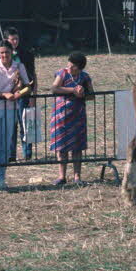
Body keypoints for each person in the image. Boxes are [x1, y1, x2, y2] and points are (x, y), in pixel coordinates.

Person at [0, 40, 29, 189]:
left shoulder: (18, 66)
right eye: (2, 53)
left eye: (7, 52)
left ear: (11, 53)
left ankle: (1, 177)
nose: (4, 55)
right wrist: (4, 95)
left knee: (5, 143)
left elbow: (27, 87)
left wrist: (18, 92)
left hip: (10, 108)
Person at [49, 51, 92, 185]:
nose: (69, 67)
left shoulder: (85, 77)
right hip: (60, 116)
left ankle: (77, 177)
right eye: (69, 63)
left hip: (78, 116)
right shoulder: (62, 73)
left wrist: (83, 93)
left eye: (73, 66)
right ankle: (62, 176)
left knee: (77, 147)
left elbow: (92, 95)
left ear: (80, 67)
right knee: (61, 147)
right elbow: (54, 88)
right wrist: (72, 90)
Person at [5, 27, 39, 160]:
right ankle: (11, 154)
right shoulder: (2, 54)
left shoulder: (27, 54)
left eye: (16, 39)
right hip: (8, 95)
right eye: (12, 39)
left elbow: (32, 76)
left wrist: (33, 95)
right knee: (11, 126)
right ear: (6, 39)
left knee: (25, 123)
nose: (14, 42)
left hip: (24, 93)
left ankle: (27, 152)